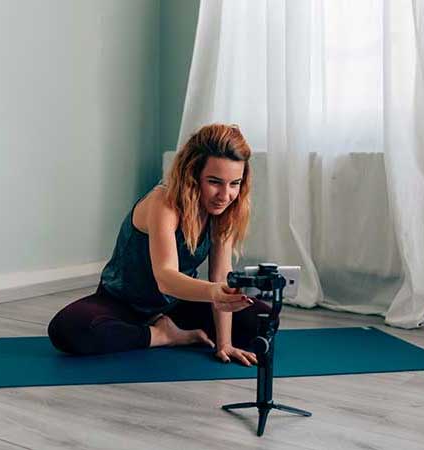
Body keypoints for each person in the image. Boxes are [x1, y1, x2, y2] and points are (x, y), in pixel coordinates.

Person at [48, 123, 276, 366]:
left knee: (262, 319)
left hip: (173, 306)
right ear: (193, 174)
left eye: (234, 183)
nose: (225, 195)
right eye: (214, 182)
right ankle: (163, 335)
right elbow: (166, 278)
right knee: (68, 330)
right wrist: (212, 292)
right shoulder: (163, 202)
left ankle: (164, 327)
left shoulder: (224, 211)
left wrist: (225, 344)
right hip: (124, 303)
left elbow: (220, 275)